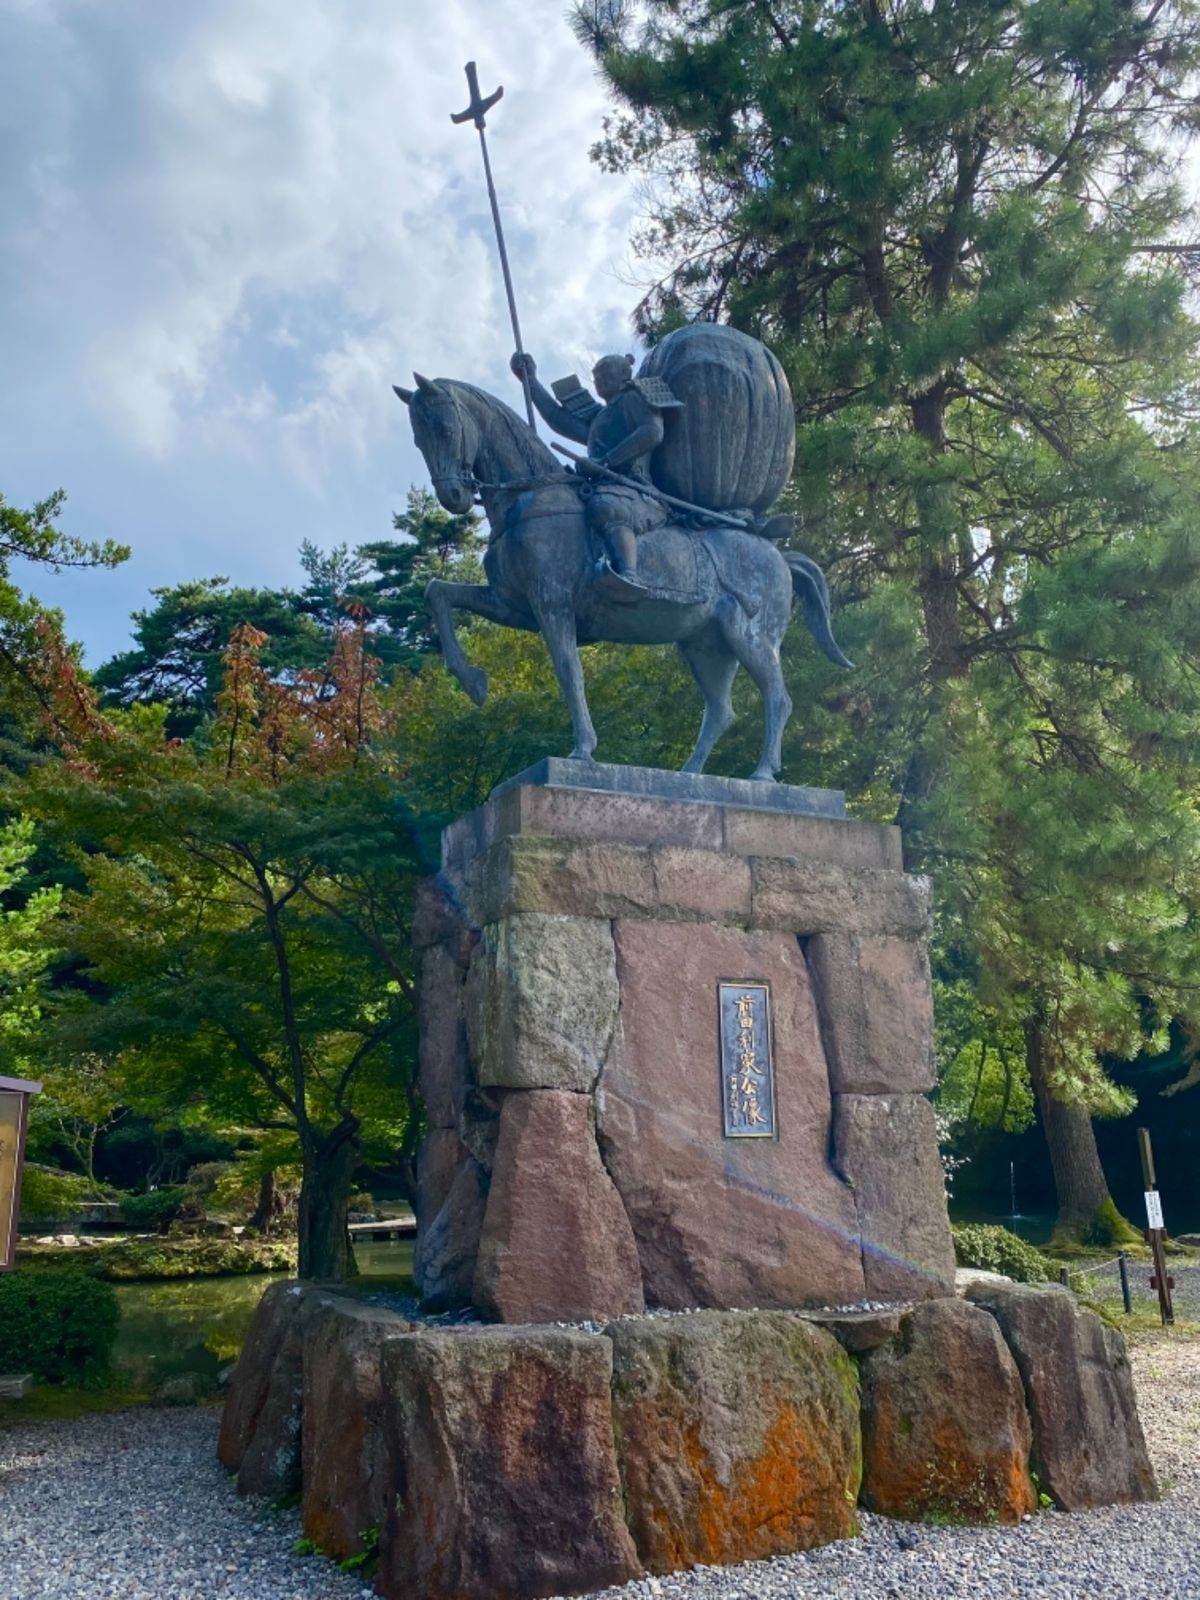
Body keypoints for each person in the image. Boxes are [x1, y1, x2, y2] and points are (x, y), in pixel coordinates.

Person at [510, 350, 682, 592]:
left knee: (610, 508)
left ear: (623, 374)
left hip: (634, 489)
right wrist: (530, 381)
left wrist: (606, 462)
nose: (598, 378)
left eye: (604, 372)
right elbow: (558, 419)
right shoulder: (601, 416)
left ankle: (628, 575)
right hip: (598, 485)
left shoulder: (635, 397)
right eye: (596, 374)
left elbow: (652, 432)